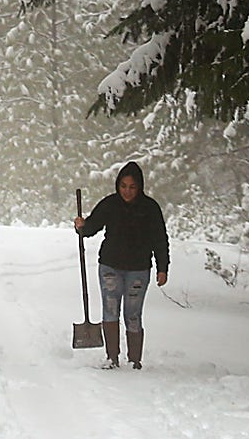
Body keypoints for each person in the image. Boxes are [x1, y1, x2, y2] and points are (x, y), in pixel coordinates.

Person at [74, 159, 169, 370]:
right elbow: (91, 227)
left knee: (133, 314)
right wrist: (82, 225)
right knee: (110, 310)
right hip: (110, 266)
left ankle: (135, 359)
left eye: (132, 187)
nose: (127, 191)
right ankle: (112, 357)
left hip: (138, 269)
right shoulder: (110, 204)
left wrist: (163, 267)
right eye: (123, 186)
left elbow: (160, 239)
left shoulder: (150, 208)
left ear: (140, 187)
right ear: (118, 185)